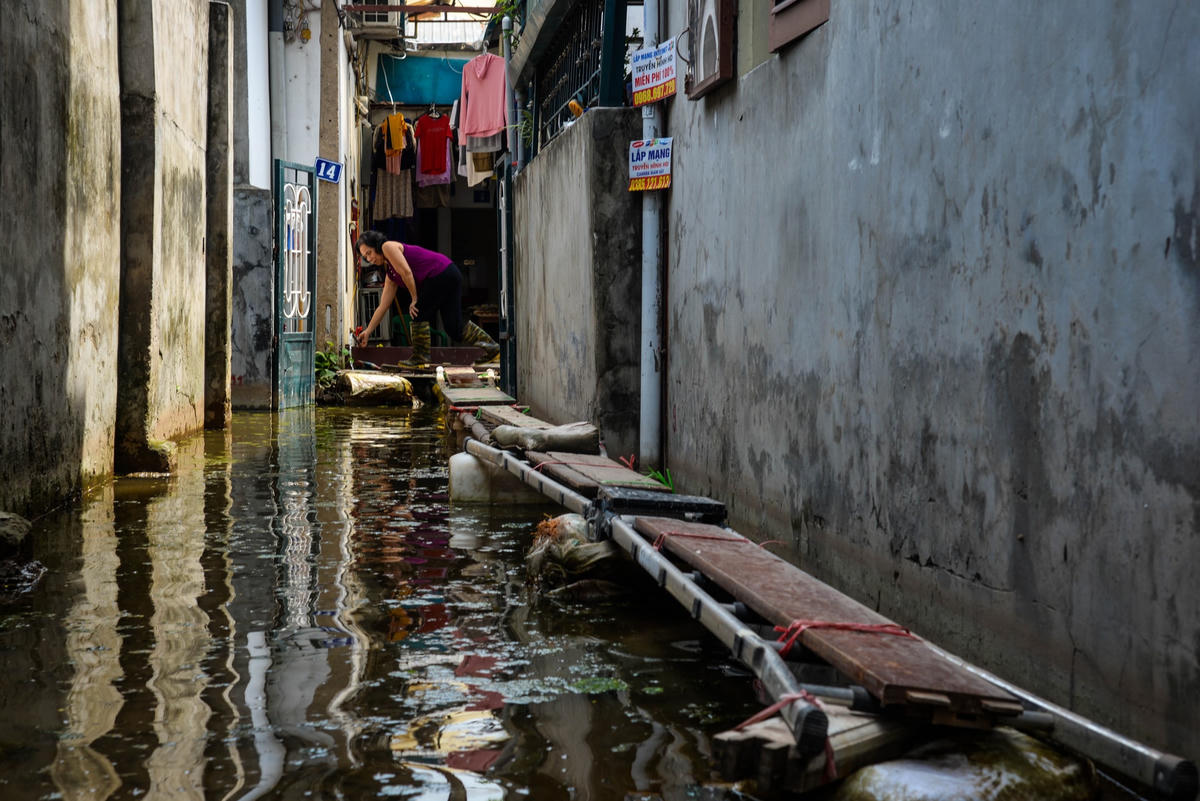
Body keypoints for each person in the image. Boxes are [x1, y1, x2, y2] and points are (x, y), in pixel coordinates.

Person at [355, 230, 498, 367]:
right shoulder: (391, 274)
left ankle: (420, 357)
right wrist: (368, 332)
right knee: (454, 328)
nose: (370, 258)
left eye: (369, 252)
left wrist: (414, 299)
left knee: (418, 312)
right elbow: (383, 306)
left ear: (376, 245)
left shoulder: (387, 246)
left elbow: (407, 272)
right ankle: (493, 348)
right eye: (365, 257)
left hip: (441, 273)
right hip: (449, 274)